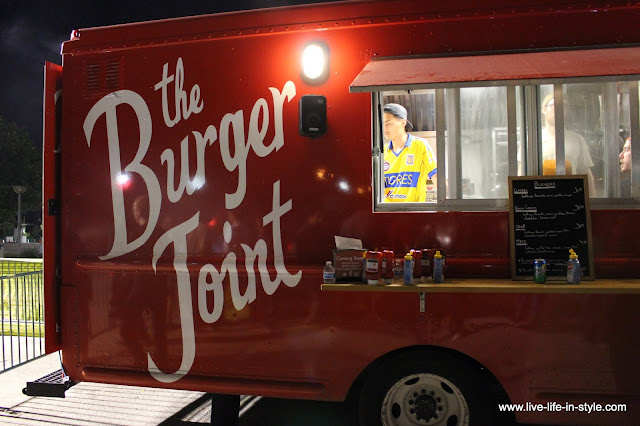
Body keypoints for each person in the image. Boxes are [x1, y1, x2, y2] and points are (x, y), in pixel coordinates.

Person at [541, 94, 596, 195]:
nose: (560, 109)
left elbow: (586, 172)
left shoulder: (577, 140)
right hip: (541, 196)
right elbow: (522, 172)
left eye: (564, 106)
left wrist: (592, 200)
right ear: (544, 109)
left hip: (570, 197)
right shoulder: (534, 141)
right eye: (555, 105)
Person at [382, 103, 437, 202]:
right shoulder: (382, 152)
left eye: (388, 123)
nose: (384, 128)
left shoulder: (420, 145)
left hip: (413, 210)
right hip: (387, 210)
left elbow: (436, 176)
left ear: (403, 122)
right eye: (382, 124)